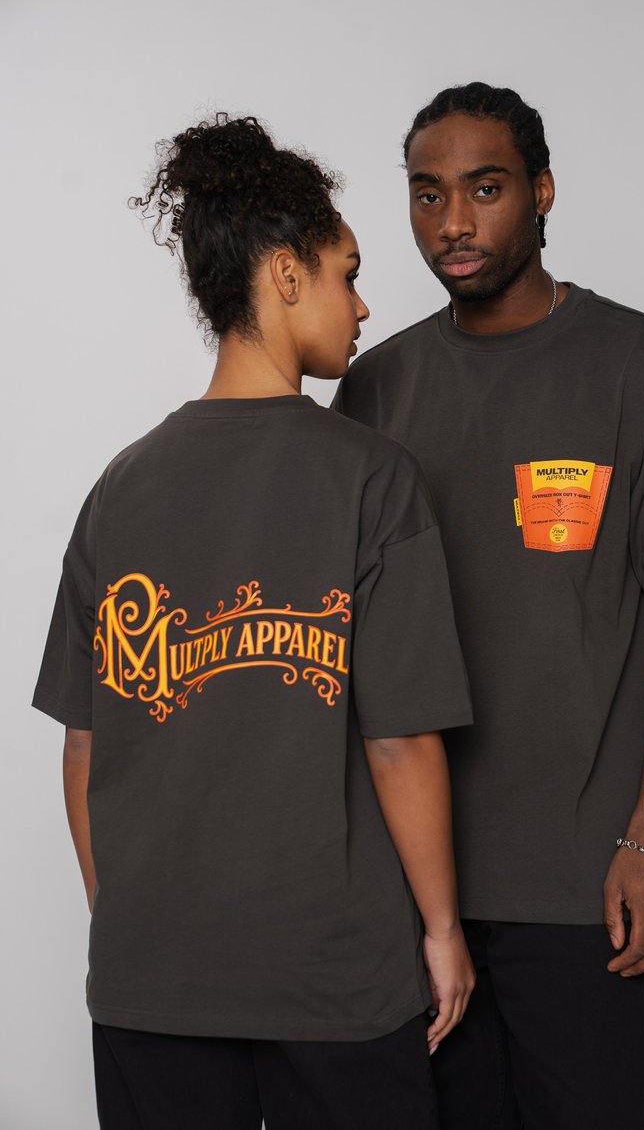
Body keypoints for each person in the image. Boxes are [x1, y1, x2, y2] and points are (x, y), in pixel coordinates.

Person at [333, 82, 644, 1130]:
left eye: (484, 189)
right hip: (411, 899)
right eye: (427, 194)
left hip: (583, 889)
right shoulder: (375, 390)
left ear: (540, 193)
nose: (452, 221)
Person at [32, 113, 475, 1130]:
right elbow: (400, 741)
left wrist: (127, 922)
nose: (362, 307)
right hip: (334, 981)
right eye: (346, 275)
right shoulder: (373, 479)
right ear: (284, 274)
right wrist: (443, 930)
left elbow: (84, 743)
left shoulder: (120, 488)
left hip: (151, 981)